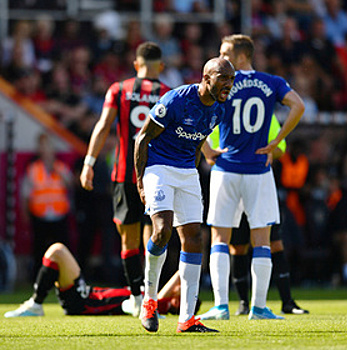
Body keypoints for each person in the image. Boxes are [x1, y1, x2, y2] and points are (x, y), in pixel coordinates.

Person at [199, 34, 304, 321]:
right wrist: (278, 139)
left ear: (240, 55)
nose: (220, 57)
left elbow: (196, 111)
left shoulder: (222, 81)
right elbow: (298, 105)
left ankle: (221, 306)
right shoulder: (271, 82)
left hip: (226, 168)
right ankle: (258, 307)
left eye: (224, 52)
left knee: (219, 237)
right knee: (262, 238)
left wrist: (208, 150)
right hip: (259, 170)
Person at [134, 57, 235, 333]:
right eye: (223, 78)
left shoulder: (221, 109)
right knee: (162, 230)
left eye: (232, 79)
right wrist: (141, 183)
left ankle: (187, 319)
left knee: (194, 237)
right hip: (158, 167)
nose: (229, 84)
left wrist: (205, 154)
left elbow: (199, 134)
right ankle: (149, 302)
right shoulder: (176, 100)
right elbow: (142, 138)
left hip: (187, 171)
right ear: (206, 78)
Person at [80, 42, 171, 317]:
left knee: (128, 240)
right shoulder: (167, 93)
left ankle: (135, 296)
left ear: (136, 64)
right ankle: (150, 297)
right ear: (161, 66)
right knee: (153, 238)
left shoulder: (118, 90)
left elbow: (103, 126)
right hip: (156, 176)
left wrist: (89, 163)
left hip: (124, 175)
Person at [205, 115, 309, 316]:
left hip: (230, 175)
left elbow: (208, 141)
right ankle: (249, 303)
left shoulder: (225, 102)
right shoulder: (264, 97)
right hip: (256, 177)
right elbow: (295, 111)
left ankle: (282, 301)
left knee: (258, 242)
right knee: (245, 245)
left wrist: (211, 154)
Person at [4, 243, 185, 318]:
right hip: (85, 295)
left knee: (57, 251)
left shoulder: (156, 305)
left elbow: (178, 277)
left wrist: (193, 261)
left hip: (83, 301)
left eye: (181, 295)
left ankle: (36, 304)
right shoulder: (149, 298)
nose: (177, 291)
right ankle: (36, 303)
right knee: (56, 252)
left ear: (176, 303)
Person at [21, 133, 73, 279]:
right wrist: (26, 214)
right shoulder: (33, 168)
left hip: (59, 214)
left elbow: (71, 185)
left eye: (49, 146)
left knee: (63, 249)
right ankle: (39, 279)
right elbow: (25, 194)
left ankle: (65, 278)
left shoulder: (60, 167)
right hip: (40, 215)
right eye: (43, 147)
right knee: (39, 250)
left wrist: (57, 171)